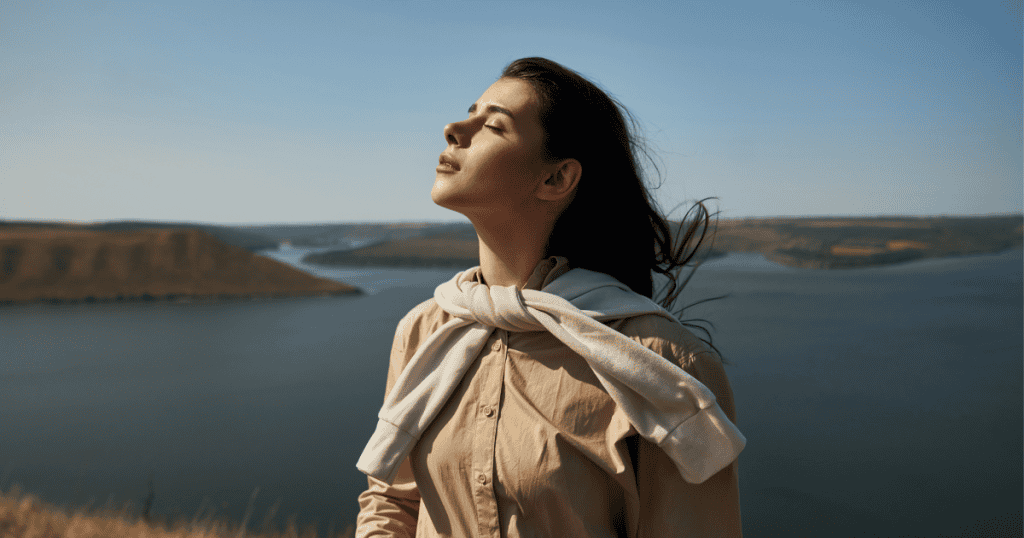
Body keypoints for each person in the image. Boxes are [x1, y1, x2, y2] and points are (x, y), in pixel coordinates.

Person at [355, 57, 744, 538]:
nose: (453, 129)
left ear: (557, 178)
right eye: (469, 113)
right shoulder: (426, 330)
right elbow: (392, 500)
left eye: (494, 125)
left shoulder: (661, 364)